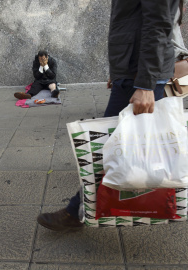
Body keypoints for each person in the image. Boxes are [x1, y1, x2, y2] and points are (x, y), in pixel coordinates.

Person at [37, 0, 180, 232]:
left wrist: (144, 84)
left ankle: (75, 211)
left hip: (139, 74)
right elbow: (131, 19)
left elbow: (158, 24)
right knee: (111, 147)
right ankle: (78, 210)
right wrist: (119, 71)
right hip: (131, 71)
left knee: (105, 148)